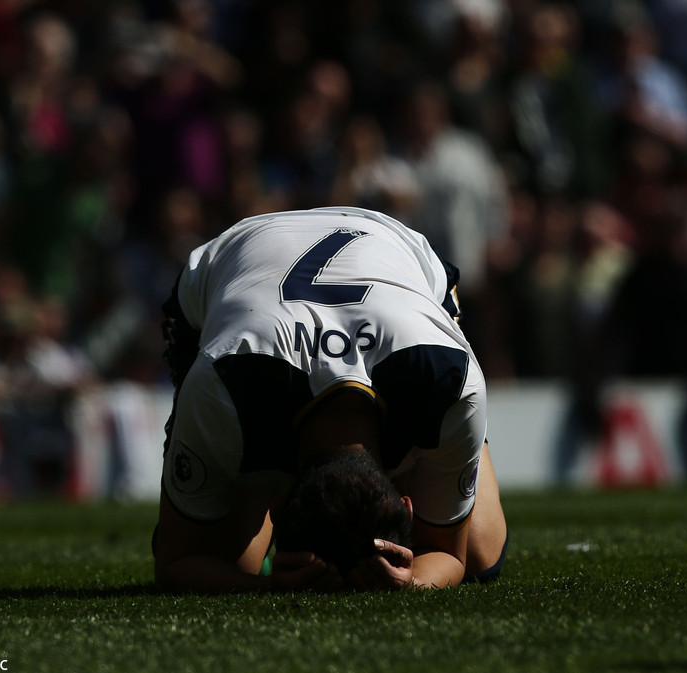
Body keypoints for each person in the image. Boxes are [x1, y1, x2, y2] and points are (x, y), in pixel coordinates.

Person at [152, 206, 508, 593]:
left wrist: (413, 579)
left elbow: (453, 554)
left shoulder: (449, 381)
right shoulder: (220, 384)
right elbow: (177, 561)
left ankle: (451, 453)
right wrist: (265, 586)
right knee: (232, 562)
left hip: (384, 252)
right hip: (238, 262)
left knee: (478, 552)